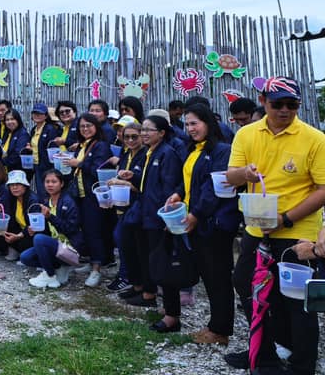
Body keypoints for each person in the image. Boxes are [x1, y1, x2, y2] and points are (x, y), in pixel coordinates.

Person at [225, 77, 325, 375]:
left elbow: (322, 188)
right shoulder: (246, 134)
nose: (284, 110)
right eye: (277, 104)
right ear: (262, 101)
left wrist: (286, 218)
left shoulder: (314, 138)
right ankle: (263, 352)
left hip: (298, 231)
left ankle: (301, 365)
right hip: (258, 228)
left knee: (299, 303)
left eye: (291, 105)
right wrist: (245, 173)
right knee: (247, 286)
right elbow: (231, 176)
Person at [162, 105, 238, 342]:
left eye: (195, 123)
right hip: (197, 221)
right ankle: (215, 325)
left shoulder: (221, 151)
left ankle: (220, 330)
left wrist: (195, 214)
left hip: (213, 224)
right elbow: (188, 182)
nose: (190, 128)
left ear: (208, 123)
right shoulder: (192, 149)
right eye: (187, 124)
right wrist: (177, 194)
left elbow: (211, 190)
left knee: (218, 277)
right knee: (208, 275)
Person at [114, 117, 182, 313]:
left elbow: (168, 187)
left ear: (161, 133)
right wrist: (133, 176)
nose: (144, 134)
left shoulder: (167, 154)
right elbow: (149, 183)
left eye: (148, 130)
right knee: (140, 252)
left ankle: (162, 304)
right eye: (142, 129)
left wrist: (164, 215)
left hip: (156, 215)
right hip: (144, 212)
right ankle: (144, 290)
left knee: (158, 259)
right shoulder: (151, 152)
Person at [65, 113, 112, 287]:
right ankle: (92, 261)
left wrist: (78, 164)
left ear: (96, 127)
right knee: (85, 229)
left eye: (89, 126)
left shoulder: (100, 146)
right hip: (81, 194)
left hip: (94, 195)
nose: (85, 129)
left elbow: (98, 170)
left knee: (94, 231)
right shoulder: (83, 145)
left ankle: (96, 269)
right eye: (82, 126)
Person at [21, 168, 84, 289]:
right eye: (47, 181)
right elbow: (47, 228)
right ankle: (59, 268)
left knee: (39, 239)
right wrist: (34, 229)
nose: (50, 184)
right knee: (25, 257)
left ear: (62, 184)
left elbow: (71, 229)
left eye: (54, 182)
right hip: (55, 245)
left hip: (70, 247)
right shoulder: (46, 201)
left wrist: (51, 217)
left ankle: (50, 275)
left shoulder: (68, 202)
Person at [106, 119, 147, 295]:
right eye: (126, 137)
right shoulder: (126, 154)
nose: (130, 140)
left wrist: (124, 183)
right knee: (123, 241)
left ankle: (128, 277)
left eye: (134, 137)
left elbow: (146, 184)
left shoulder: (145, 155)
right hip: (123, 204)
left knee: (125, 240)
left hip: (138, 205)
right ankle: (132, 278)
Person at [0, 169, 38, 260]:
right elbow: (5, 212)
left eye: (18, 184)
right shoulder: (12, 197)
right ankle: (13, 249)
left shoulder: (33, 200)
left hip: (30, 232)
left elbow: (34, 226)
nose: (14, 188)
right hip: (19, 228)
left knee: (25, 242)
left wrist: (18, 236)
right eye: (12, 185)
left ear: (25, 186)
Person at [26, 102, 60, 198]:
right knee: (41, 190)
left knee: (46, 191)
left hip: (47, 165)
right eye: (35, 113)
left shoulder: (50, 129)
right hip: (36, 164)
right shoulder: (34, 129)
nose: (37, 115)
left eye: (40, 113)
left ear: (45, 116)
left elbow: (53, 148)